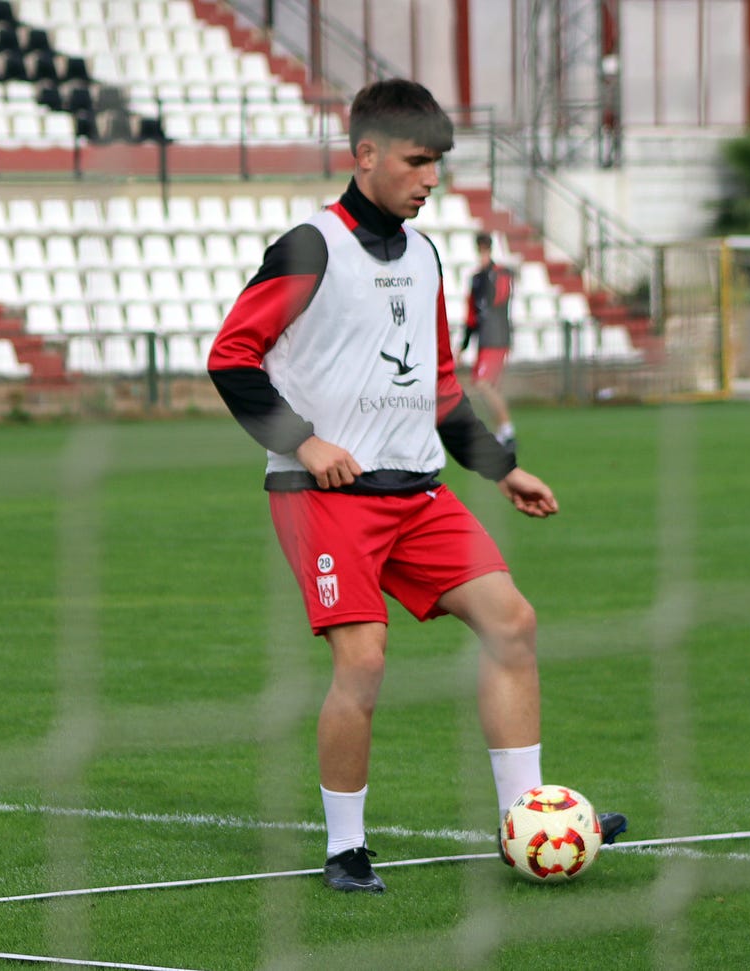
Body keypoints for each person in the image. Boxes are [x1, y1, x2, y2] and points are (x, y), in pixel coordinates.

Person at [206, 78, 625, 894]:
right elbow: (231, 358)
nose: (430, 178)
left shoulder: (428, 254)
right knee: (363, 661)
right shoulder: (310, 246)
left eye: (437, 163)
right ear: (365, 156)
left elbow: (437, 388)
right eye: (415, 161)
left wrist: (501, 468)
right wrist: (306, 442)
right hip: (323, 493)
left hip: (418, 492)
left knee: (513, 621)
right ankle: (346, 847)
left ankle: (524, 820)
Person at [460, 231, 515, 447]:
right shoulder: (476, 278)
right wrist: (463, 344)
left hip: (497, 337)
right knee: (485, 387)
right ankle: (503, 432)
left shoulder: (500, 274)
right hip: (484, 339)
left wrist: (489, 273)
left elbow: (498, 300)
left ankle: (507, 431)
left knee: (483, 385)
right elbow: (471, 314)